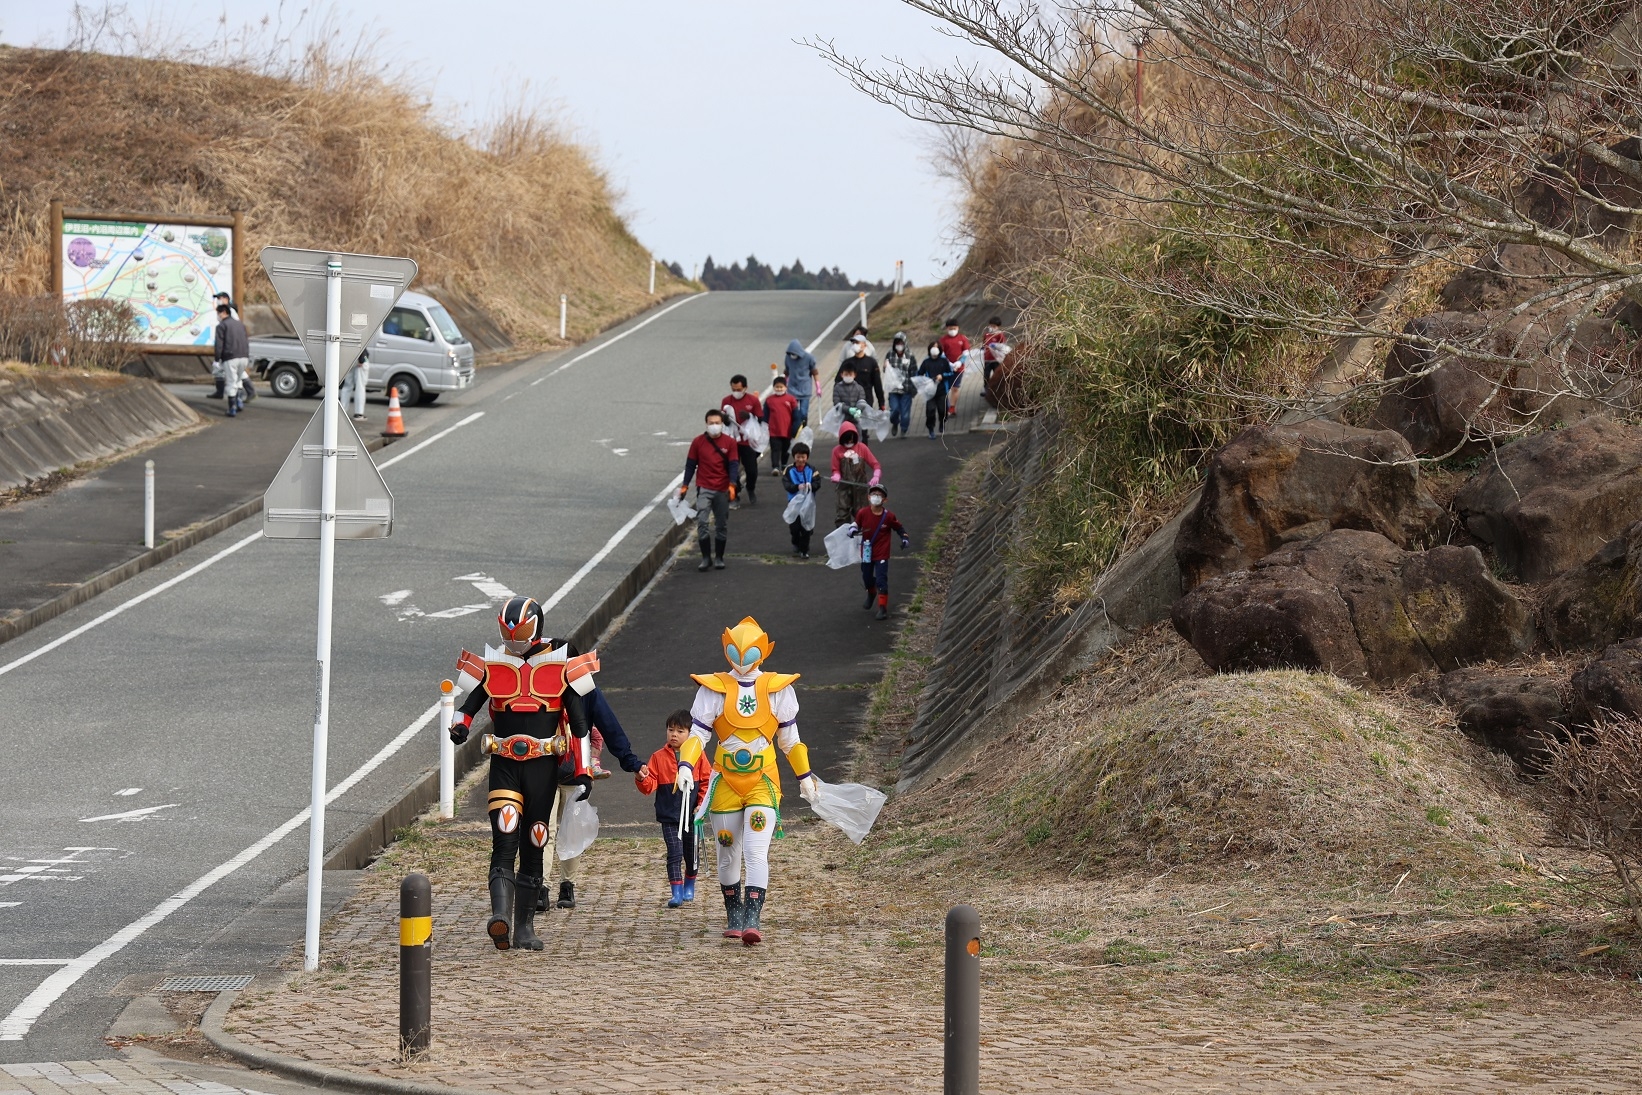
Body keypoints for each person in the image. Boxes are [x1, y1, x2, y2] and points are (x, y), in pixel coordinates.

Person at [449, 597, 600, 950]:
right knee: (505, 836)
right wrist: (460, 724)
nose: (512, 636)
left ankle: (524, 927)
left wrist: (584, 769)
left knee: (534, 840)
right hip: (505, 763)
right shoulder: (493, 664)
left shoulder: (563, 666)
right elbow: (466, 706)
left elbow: (580, 726)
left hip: (543, 767)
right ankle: (500, 916)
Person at [675, 617, 819, 945]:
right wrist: (685, 765)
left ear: (764, 650)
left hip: (762, 780)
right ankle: (734, 912)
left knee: (755, 850)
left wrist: (805, 776)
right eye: (734, 651)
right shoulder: (713, 688)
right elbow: (698, 735)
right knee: (728, 851)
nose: (741, 659)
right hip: (724, 780)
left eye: (749, 651)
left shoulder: (778, 688)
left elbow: (790, 740)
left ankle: (753, 917)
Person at [540, 687, 644, 911]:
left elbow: (609, 726)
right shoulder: (537, 681)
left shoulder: (585, 690)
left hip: (577, 772)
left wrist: (630, 762)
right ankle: (541, 887)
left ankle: (567, 884)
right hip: (541, 770)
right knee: (543, 830)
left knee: (572, 831)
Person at [635, 710, 713, 908]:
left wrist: (701, 805)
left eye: (680, 731)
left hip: (692, 815)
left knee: (691, 854)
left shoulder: (698, 755)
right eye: (671, 730)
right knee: (674, 853)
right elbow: (649, 786)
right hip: (669, 815)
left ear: (690, 734)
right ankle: (676, 892)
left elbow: (706, 781)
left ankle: (689, 885)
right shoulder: (658, 757)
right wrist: (641, 777)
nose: (674, 735)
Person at [680, 408, 740, 571]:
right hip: (704, 487)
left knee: (721, 524)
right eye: (711, 423)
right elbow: (691, 464)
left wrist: (732, 484)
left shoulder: (730, 443)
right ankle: (706, 558)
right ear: (706, 424)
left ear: (722, 424)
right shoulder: (698, 442)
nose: (714, 426)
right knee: (703, 522)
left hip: (722, 488)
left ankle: (719, 557)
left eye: (717, 423)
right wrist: (685, 484)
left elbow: (734, 464)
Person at [851, 485, 911, 620]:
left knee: (881, 578)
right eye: (873, 494)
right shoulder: (863, 513)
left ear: (885, 500)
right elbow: (856, 524)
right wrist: (852, 529)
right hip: (867, 551)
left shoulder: (888, 516)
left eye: (879, 495)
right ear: (868, 497)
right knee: (866, 577)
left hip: (882, 552)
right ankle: (871, 593)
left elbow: (899, 528)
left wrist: (905, 538)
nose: (876, 497)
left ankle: (882, 608)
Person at [722, 375, 763, 507]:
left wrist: (750, 416)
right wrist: (726, 420)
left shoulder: (753, 401)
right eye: (734, 389)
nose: (736, 392)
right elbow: (722, 419)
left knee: (751, 470)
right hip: (732, 442)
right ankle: (736, 492)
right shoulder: (726, 401)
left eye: (739, 389)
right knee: (732, 469)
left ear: (745, 388)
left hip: (747, 441)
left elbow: (761, 420)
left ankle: (750, 488)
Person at [830, 420, 880, 527]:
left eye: (851, 440)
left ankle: (863, 539)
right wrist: (836, 475)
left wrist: (876, 476)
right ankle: (843, 538)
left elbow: (875, 465)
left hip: (860, 487)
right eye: (846, 441)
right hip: (843, 487)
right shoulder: (836, 451)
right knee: (842, 515)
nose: (849, 443)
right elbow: (835, 469)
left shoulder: (862, 448)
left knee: (862, 514)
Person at [213, 303, 250, 418]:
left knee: (230, 383)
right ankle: (239, 402)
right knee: (238, 380)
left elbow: (219, 345)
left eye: (218, 313)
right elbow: (246, 341)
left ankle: (232, 408)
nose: (217, 316)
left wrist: (217, 359)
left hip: (230, 357)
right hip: (244, 357)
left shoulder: (221, 326)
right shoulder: (240, 324)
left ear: (223, 313)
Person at [781, 442, 817, 558]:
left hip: (808, 503)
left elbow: (817, 482)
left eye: (803, 457)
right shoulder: (789, 470)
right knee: (795, 527)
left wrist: (811, 485)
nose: (801, 459)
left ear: (807, 457)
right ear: (794, 457)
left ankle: (804, 550)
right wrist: (797, 487)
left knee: (806, 526)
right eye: (798, 457)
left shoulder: (812, 469)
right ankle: (796, 542)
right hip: (794, 503)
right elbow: (787, 485)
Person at [918, 340, 957, 439]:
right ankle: (931, 429)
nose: (934, 349)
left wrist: (942, 376)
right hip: (930, 391)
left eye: (936, 347)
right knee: (930, 411)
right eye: (933, 347)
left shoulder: (944, 361)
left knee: (942, 410)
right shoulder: (926, 362)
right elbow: (919, 374)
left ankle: (942, 423)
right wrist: (925, 381)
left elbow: (950, 373)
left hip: (942, 390)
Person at [883, 332, 918, 438]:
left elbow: (914, 372)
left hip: (906, 389)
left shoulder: (910, 355)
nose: (899, 345)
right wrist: (885, 366)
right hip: (894, 390)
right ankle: (895, 422)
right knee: (894, 410)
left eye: (901, 343)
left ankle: (904, 429)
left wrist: (913, 389)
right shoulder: (890, 354)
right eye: (897, 343)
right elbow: (886, 370)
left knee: (905, 413)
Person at [763, 375, 799, 472]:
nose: (779, 389)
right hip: (774, 430)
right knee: (775, 449)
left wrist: (795, 427)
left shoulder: (791, 399)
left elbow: (796, 415)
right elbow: (765, 415)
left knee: (786, 449)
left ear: (786, 387)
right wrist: (764, 426)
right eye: (777, 387)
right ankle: (775, 466)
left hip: (787, 430)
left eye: (781, 387)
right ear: (774, 387)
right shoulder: (769, 400)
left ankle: (783, 464)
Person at [840, 336, 885, 412]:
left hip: (866, 399)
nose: (855, 345)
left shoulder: (871, 362)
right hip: (849, 399)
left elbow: (877, 384)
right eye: (853, 343)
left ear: (864, 345)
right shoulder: (847, 363)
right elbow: (838, 382)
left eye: (857, 343)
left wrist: (881, 403)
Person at [938, 318, 972, 418]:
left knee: (955, 388)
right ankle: (946, 406)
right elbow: (942, 354)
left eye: (954, 328)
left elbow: (966, 352)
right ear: (947, 329)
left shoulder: (962, 338)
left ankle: (952, 407)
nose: (952, 330)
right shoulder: (943, 340)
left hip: (959, 368)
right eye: (950, 328)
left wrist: (959, 362)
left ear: (958, 328)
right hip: (946, 368)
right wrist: (950, 364)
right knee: (945, 389)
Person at [783, 339, 818, 425]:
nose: (792, 355)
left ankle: (803, 428)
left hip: (805, 388)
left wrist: (818, 386)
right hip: (792, 388)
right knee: (792, 411)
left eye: (794, 353)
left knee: (803, 412)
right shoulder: (788, 358)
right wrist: (784, 383)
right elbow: (787, 371)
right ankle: (794, 429)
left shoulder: (809, 358)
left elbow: (814, 372)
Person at [982, 316, 1010, 385]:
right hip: (987, 359)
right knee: (986, 375)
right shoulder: (986, 335)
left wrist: (995, 346)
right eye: (991, 326)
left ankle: (996, 388)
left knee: (996, 375)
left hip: (996, 359)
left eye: (994, 326)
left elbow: (1003, 347)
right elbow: (984, 344)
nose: (992, 328)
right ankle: (986, 389)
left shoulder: (999, 335)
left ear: (998, 327)